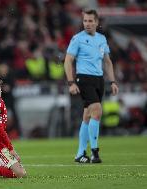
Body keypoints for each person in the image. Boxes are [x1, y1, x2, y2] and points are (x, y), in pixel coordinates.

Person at [64, 9, 119, 163]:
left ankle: (80, 154)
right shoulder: (77, 39)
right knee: (97, 110)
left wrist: (113, 81)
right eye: (85, 21)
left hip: (99, 80)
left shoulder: (102, 39)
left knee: (88, 115)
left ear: (96, 22)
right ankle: (95, 152)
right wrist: (71, 82)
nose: (87, 24)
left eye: (90, 21)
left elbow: (107, 62)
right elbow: (68, 61)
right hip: (84, 79)